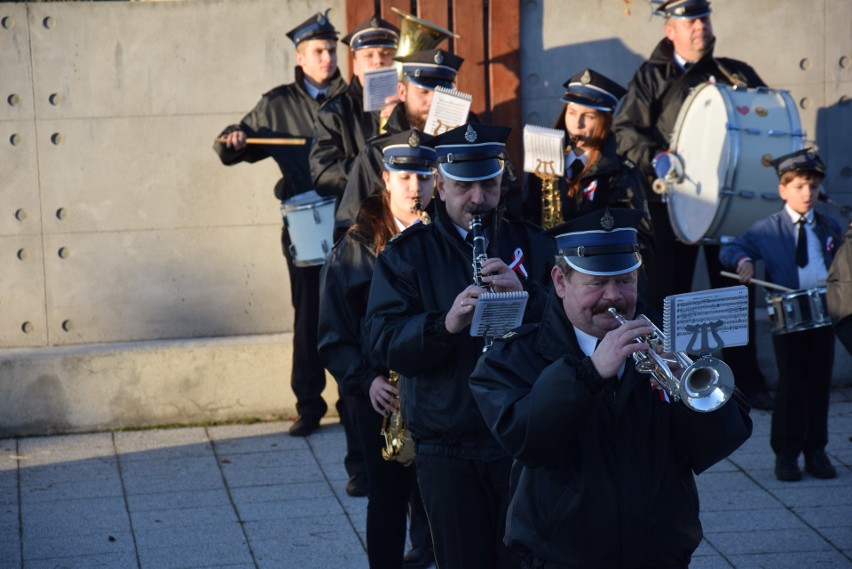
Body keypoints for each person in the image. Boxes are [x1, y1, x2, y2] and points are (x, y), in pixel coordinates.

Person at [470, 207, 753, 568]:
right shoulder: (513, 356)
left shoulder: (669, 342)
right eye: (596, 284)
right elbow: (527, 441)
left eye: (625, 281)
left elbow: (722, 441)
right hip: (565, 557)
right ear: (560, 281)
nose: (614, 297)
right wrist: (589, 374)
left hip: (660, 554)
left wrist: (688, 386)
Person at [365, 123, 555, 569]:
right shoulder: (405, 256)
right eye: (464, 186)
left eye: (488, 184)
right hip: (446, 441)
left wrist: (528, 300)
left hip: (519, 437)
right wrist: (445, 324)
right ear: (441, 185)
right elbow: (382, 341)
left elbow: (572, 331)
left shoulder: (534, 244)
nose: (477, 198)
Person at [613, 0, 773, 409]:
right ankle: (670, 378)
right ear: (671, 30)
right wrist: (657, 157)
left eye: (704, 18)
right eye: (691, 21)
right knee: (669, 296)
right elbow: (625, 130)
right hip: (671, 205)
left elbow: (765, 120)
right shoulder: (651, 76)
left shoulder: (731, 72)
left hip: (728, 204)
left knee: (735, 295)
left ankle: (745, 383)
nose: (701, 26)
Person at [213, 10, 346, 437]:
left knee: (355, 309)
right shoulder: (278, 102)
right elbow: (237, 141)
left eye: (331, 49)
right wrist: (233, 137)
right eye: (318, 51)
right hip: (305, 221)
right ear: (301, 57)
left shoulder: (354, 98)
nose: (327, 57)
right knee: (308, 313)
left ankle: (354, 399)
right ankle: (309, 404)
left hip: (350, 219)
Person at [318, 129, 437, 568]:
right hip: (382, 395)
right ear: (385, 178)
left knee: (443, 496)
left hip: (438, 387)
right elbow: (333, 337)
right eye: (405, 177)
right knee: (388, 499)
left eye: (424, 177)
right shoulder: (354, 248)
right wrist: (365, 381)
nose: (415, 188)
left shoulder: (445, 235)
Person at [720, 149, 842, 482]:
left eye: (813, 188)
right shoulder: (767, 229)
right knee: (791, 387)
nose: (808, 194)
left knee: (819, 385)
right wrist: (742, 262)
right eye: (801, 186)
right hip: (788, 320)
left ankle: (816, 450)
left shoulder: (829, 227)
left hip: (823, 315)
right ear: (783, 190)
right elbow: (730, 247)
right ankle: (786, 455)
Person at [524, 68, 653, 264]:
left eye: (589, 116)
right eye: (572, 112)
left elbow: (640, 240)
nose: (577, 124)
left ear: (605, 120)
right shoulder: (543, 164)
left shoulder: (622, 174)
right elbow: (526, 218)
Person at [334, 48, 468, 237]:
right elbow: (348, 227)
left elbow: (506, 204)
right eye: (423, 92)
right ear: (402, 91)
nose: (432, 101)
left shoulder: (471, 142)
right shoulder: (376, 152)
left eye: (442, 93)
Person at [309, 16, 400, 201]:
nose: (378, 61)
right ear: (355, 66)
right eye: (368, 55)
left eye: (385, 54)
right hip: (359, 217)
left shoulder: (412, 107)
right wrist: (371, 167)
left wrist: (400, 119)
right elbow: (323, 175)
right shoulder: (333, 112)